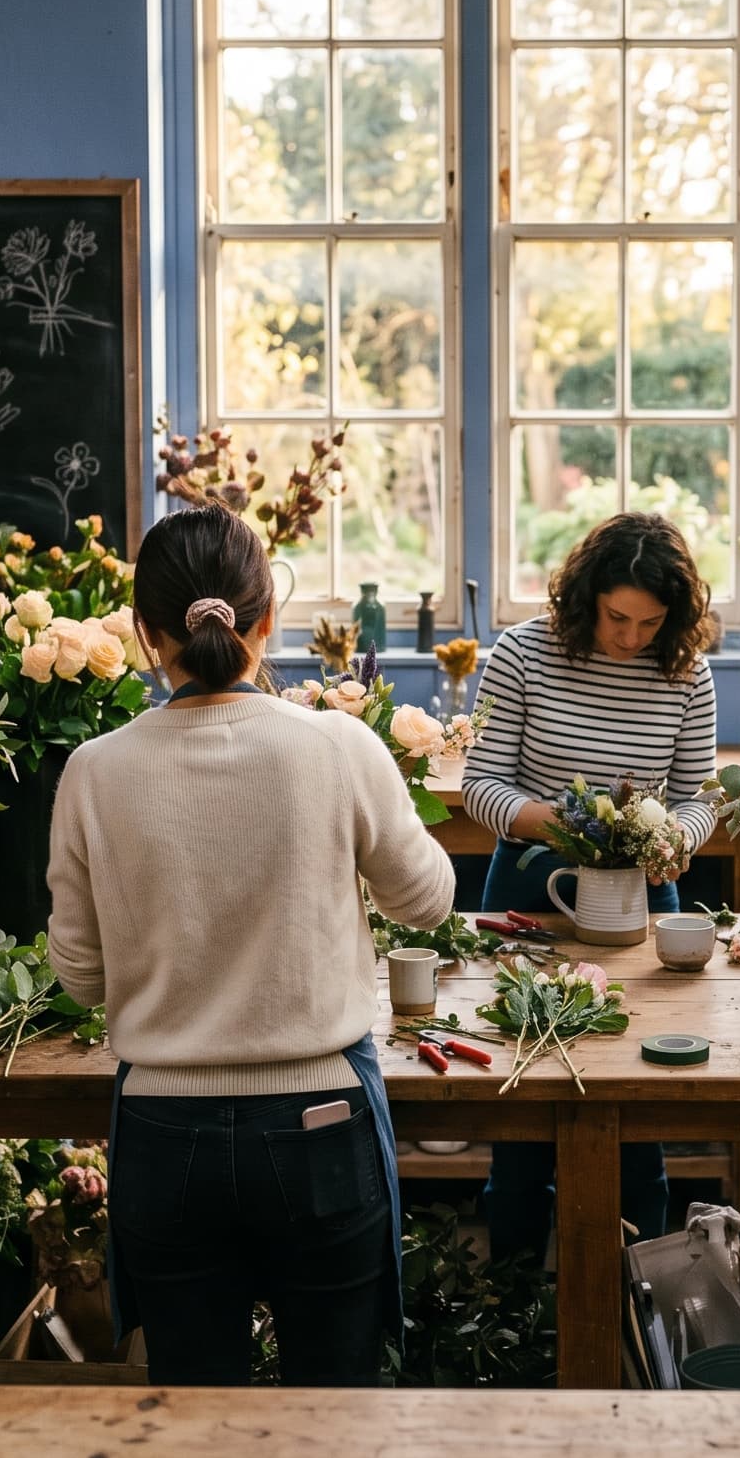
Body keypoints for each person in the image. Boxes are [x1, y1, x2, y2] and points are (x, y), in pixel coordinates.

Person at [46, 505, 454, 1385]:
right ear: (268, 620)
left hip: (162, 1132)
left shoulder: (93, 770)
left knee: (196, 1419)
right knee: (336, 1409)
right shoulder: (339, 746)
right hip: (323, 1126)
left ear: (145, 633)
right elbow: (426, 903)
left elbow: (78, 979)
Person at [463, 512, 719, 1260]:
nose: (632, 638)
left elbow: (699, 795)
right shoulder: (523, 653)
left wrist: (677, 837)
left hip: (642, 901)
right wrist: (559, 824)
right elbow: (479, 784)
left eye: (650, 622)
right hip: (531, 891)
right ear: (585, 599)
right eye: (617, 618)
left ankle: (640, 1307)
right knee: (522, 1118)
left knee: (639, 1115)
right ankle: (508, 1299)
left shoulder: (686, 672)